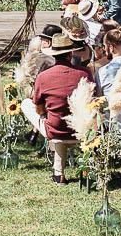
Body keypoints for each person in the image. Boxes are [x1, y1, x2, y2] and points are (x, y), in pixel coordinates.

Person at [32, 32, 92, 183]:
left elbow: (39, 111)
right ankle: (69, 170)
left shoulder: (43, 77)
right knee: (60, 119)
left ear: (53, 54)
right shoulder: (84, 73)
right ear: (70, 53)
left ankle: (59, 172)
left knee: (28, 105)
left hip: (55, 129)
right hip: (82, 129)